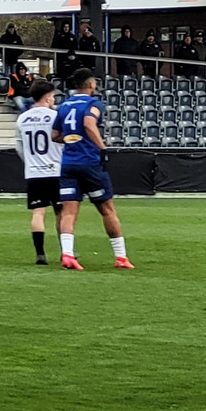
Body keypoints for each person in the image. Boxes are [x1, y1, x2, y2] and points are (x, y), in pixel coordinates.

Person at [51, 68, 134, 271]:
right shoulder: (93, 103)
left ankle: (68, 255)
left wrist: (70, 139)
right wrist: (102, 148)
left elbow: (54, 135)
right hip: (89, 163)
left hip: (68, 164)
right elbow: (89, 123)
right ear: (91, 84)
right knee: (107, 210)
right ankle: (121, 257)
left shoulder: (64, 105)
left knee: (69, 213)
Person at [15, 79, 63, 265]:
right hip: (56, 170)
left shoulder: (22, 118)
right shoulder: (54, 116)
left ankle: (40, 254)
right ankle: (66, 251)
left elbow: (19, 147)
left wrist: (30, 163)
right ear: (49, 97)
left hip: (34, 172)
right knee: (62, 213)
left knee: (38, 212)